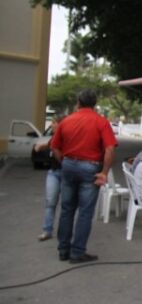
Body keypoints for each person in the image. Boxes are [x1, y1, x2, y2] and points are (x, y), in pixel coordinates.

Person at [50, 89, 117, 263]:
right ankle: (77, 252)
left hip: (69, 165)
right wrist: (104, 172)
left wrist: (64, 161)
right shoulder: (101, 122)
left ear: (78, 102)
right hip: (90, 167)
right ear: (94, 104)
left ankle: (63, 250)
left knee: (67, 209)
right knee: (85, 212)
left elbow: (55, 146)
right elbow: (110, 148)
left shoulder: (66, 121)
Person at [34, 116, 64, 241]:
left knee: (66, 204)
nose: (51, 125)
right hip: (53, 172)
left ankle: (64, 232)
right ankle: (47, 230)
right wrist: (41, 146)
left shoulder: (67, 137)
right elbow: (49, 144)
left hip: (65, 172)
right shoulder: (54, 137)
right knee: (50, 202)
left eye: (54, 122)